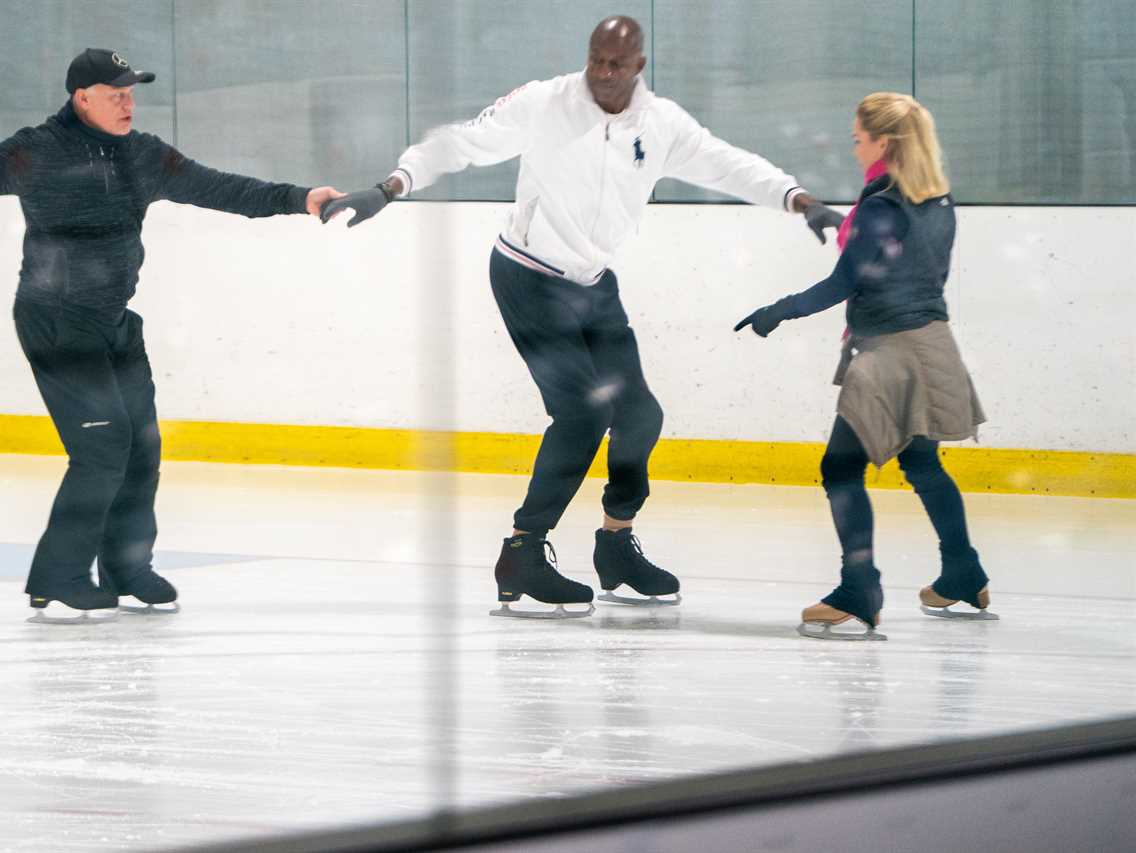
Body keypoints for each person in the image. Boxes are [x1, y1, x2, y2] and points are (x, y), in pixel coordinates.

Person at [321, 17, 843, 618]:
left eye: (616, 63)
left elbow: (727, 163)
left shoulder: (661, 123)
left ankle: (615, 547)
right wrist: (390, 186)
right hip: (527, 275)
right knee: (581, 413)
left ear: (638, 66)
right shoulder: (546, 101)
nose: (602, 72)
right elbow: (461, 142)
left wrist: (797, 199)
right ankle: (522, 553)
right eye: (596, 59)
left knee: (640, 414)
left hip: (592, 285)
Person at [0, 49, 342, 622]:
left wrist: (299, 199)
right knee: (103, 448)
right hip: (56, 320)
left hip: (113, 319)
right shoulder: (35, 150)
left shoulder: (144, 155)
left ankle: (127, 567)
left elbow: (222, 189)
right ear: (81, 96)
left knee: (141, 446)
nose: (128, 103)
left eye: (132, 92)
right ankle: (58, 576)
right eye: (116, 93)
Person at [734, 91, 995, 640]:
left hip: (891, 354)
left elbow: (841, 283)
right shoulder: (936, 201)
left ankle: (860, 588)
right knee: (923, 466)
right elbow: (911, 269)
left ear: (884, 142)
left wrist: (775, 312)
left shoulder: (881, 207)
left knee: (840, 469)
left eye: (858, 139)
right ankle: (964, 571)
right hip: (933, 344)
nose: (854, 149)